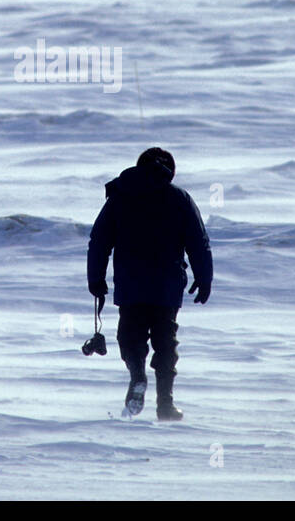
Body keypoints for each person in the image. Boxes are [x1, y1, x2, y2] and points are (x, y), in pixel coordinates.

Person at [87, 147, 213, 420]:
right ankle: (165, 404)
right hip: (167, 285)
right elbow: (198, 242)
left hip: (131, 283)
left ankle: (137, 377)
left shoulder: (120, 196)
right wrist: (204, 278)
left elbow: (99, 241)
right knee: (165, 343)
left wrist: (95, 278)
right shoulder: (180, 198)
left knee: (129, 338)